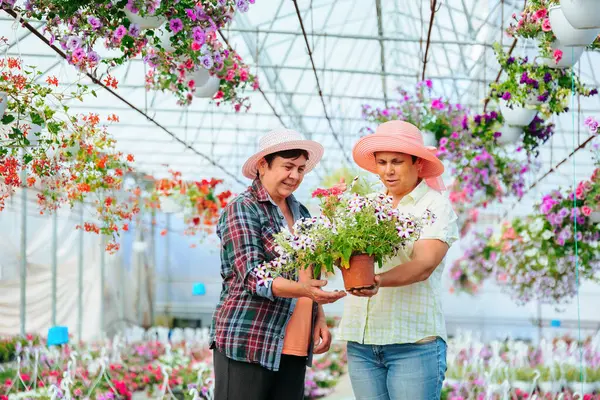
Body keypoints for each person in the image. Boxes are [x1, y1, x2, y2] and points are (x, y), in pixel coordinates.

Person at [210, 128, 346, 400]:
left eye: (300, 168)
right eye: (287, 166)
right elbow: (253, 276)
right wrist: (307, 291)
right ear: (262, 165)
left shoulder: (302, 212)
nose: (295, 176)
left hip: (294, 342)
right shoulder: (243, 208)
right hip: (251, 339)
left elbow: (310, 271)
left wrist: (317, 316)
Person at [338, 120, 459, 400]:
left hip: (412, 344)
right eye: (382, 162)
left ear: (418, 164)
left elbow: (424, 264)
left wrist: (376, 280)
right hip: (363, 342)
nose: (388, 170)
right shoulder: (366, 205)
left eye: (397, 161)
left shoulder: (434, 206)